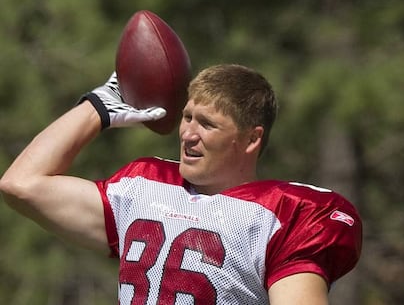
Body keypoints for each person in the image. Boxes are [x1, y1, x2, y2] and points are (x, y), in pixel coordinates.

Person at [0, 64, 362, 304]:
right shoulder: (144, 186)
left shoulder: (283, 215)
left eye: (207, 123)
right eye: (187, 117)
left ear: (251, 140)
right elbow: (21, 184)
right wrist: (97, 108)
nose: (188, 133)